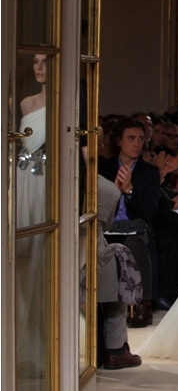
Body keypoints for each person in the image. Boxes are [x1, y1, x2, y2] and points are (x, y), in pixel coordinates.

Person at [99, 118, 161, 328]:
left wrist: (130, 190)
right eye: (131, 138)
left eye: (140, 139)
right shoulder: (103, 168)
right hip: (107, 227)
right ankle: (100, 305)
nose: (137, 144)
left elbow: (149, 213)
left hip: (135, 228)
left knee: (135, 245)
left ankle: (144, 305)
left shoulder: (149, 172)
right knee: (100, 247)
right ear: (119, 141)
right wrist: (115, 190)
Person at [15, 54, 48, 379]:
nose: (39, 67)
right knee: (20, 255)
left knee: (42, 257)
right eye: (35, 62)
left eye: (44, 61)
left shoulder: (68, 103)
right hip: (23, 180)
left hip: (47, 184)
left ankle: (41, 340)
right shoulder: (25, 103)